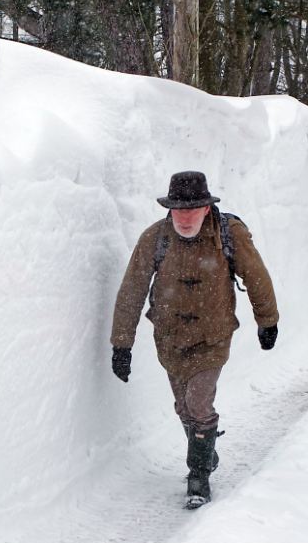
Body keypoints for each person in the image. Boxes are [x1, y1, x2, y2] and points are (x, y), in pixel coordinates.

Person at [110, 170, 279, 509]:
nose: (185, 217)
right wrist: (121, 344)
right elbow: (132, 290)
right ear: (170, 209)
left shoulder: (229, 234)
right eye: (178, 210)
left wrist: (267, 321)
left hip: (212, 336)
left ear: (206, 208)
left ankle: (198, 474)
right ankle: (206, 449)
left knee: (199, 403)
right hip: (170, 338)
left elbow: (256, 276)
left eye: (193, 209)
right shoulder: (155, 239)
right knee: (183, 406)